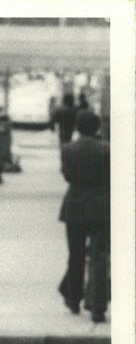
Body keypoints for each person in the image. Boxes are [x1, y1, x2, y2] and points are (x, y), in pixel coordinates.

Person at [58, 109, 110, 322]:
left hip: (75, 206)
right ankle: (98, 306)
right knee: (99, 257)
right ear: (97, 127)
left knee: (76, 255)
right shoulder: (106, 150)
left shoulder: (68, 149)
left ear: (78, 127)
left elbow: (68, 175)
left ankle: (73, 297)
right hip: (101, 208)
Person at [51, 93, 77, 166]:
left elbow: (53, 119)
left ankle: (63, 162)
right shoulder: (74, 109)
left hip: (62, 129)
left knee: (62, 145)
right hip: (70, 130)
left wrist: (52, 128)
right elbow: (76, 120)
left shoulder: (60, 109)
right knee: (69, 143)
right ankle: (68, 161)